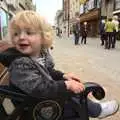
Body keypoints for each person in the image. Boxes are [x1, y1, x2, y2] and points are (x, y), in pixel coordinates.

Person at [0, 10, 119, 119]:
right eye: (16, 34)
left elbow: (48, 71)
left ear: (43, 37)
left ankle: (93, 107)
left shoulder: (37, 56)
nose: (21, 37)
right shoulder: (21, 64)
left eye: (29, 32)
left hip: (41, 102)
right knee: (72, 94)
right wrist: (66, 85)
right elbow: (39, 88)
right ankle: (96, 110)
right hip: (36, 108)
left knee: (74, 89)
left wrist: (63, 76)